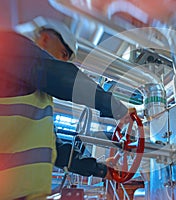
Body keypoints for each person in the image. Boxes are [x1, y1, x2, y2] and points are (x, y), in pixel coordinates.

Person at [0, 18, 132, 199]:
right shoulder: (10, 47)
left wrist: (102, 170)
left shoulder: (37, 99)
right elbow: (64, 77)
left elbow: (59, 152)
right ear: (45, 38)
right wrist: (116, 107)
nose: (63, 62)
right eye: (63, 54)